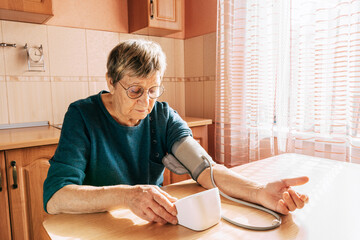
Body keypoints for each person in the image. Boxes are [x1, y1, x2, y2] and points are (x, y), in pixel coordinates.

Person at [43, 39, 309, 226]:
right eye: (135, 90)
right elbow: (56, 198)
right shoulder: (81, 115)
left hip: (149, 226)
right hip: (94, 228)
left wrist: (259, 191)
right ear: (111, 82)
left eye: (153, 90)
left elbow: (206, 169)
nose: (146, 102)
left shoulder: (162, 116)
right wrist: (127, 195)